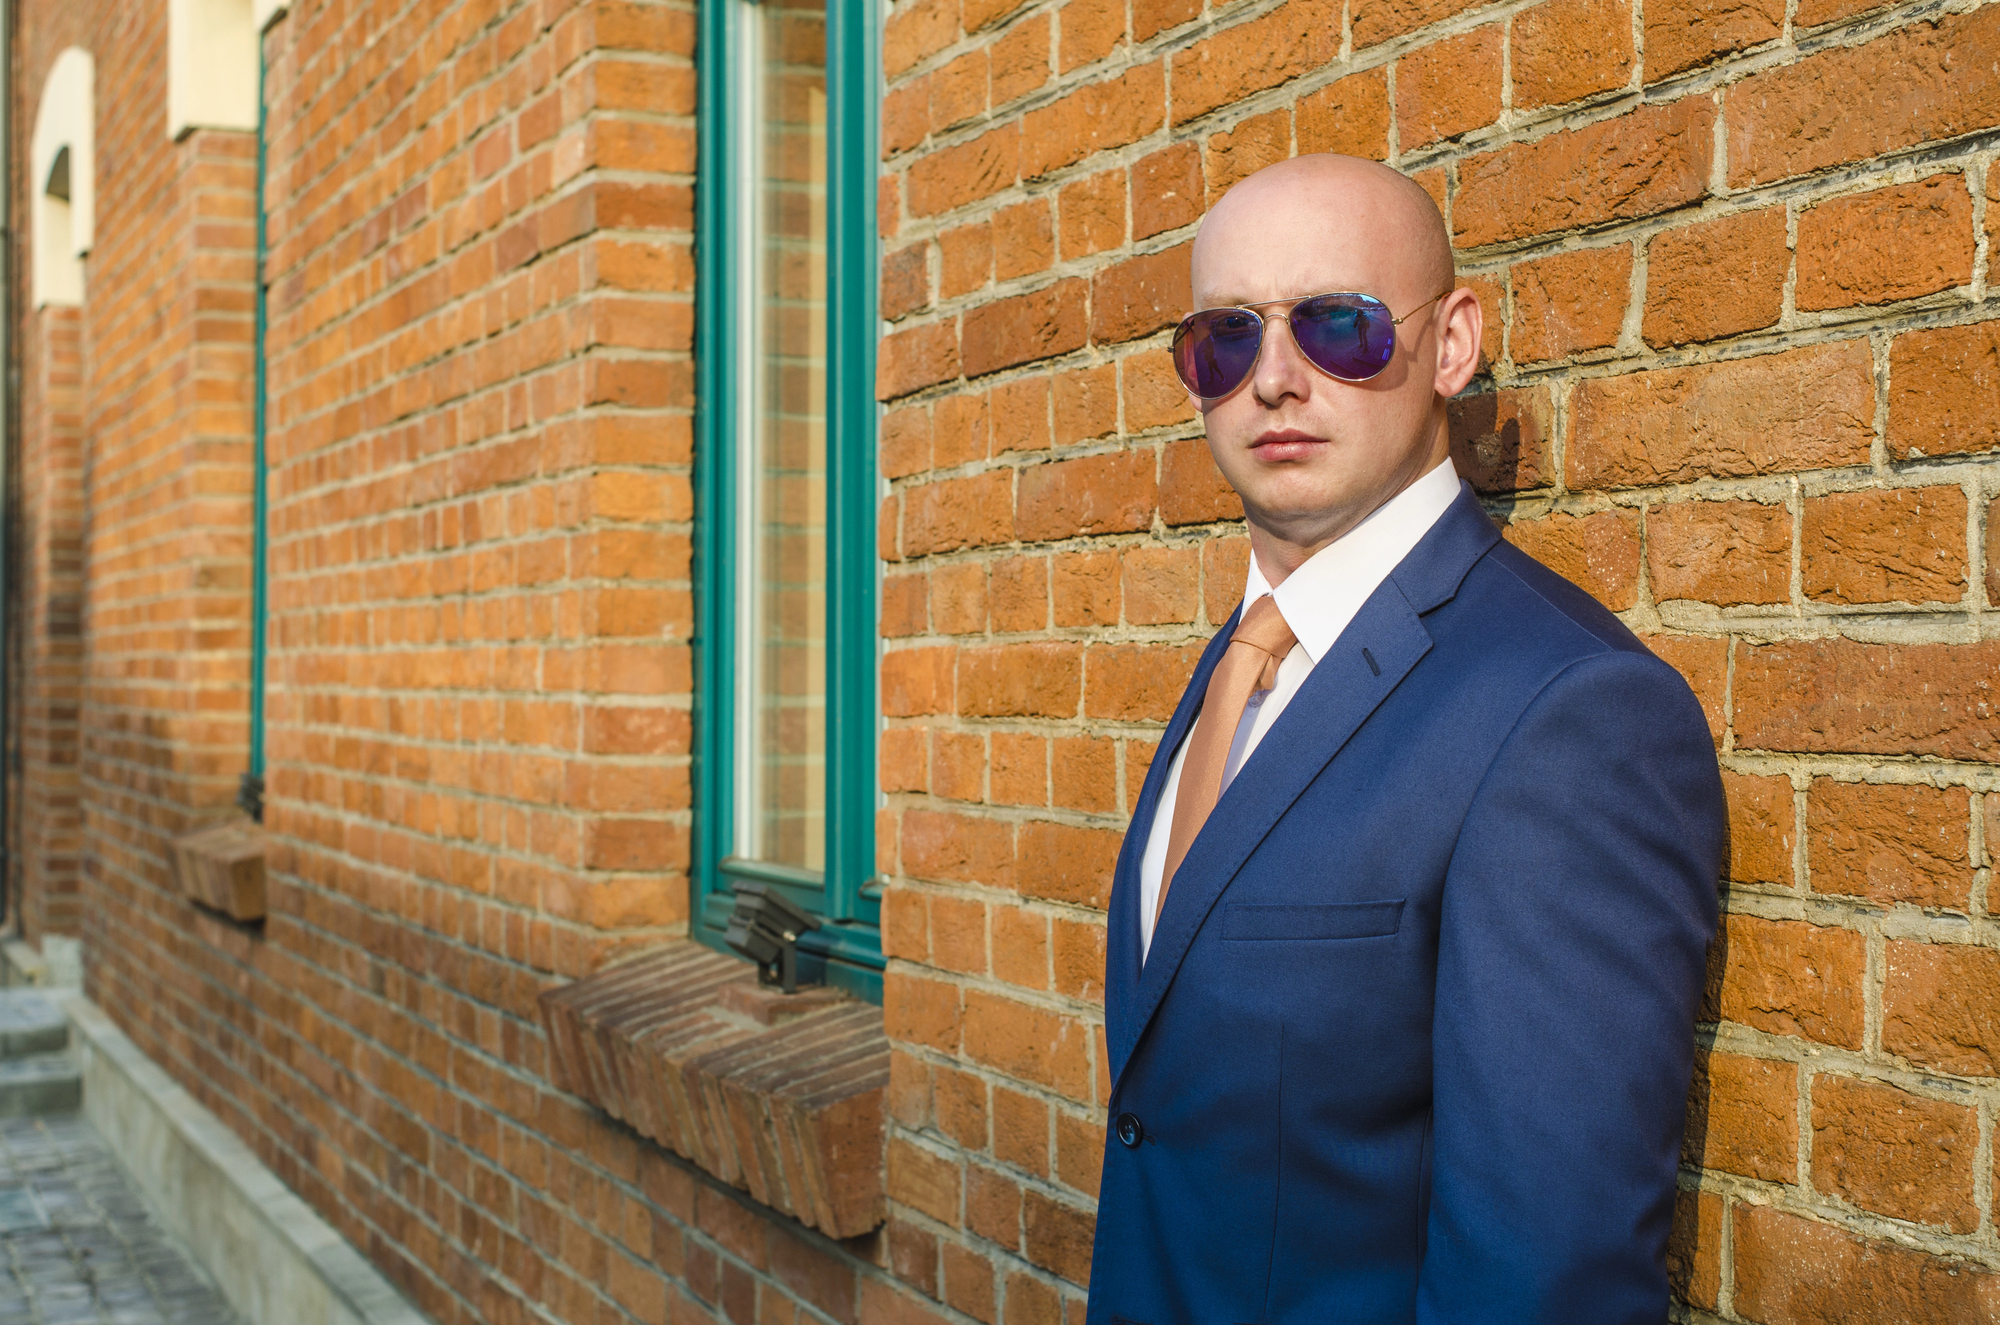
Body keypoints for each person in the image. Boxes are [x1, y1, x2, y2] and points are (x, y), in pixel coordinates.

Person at [1084, 154, 1724, 1324]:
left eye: (1338, 326)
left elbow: (1538, 1284)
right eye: (1225, 339)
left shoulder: (1567, 713)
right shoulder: (1244, 659)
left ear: (1449, 344)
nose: (1273, 380)